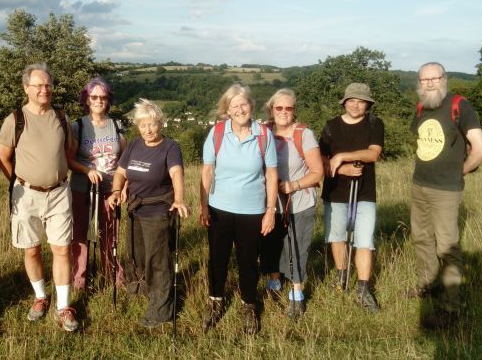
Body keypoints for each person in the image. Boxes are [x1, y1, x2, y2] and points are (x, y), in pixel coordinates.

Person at [0, 63, 80, 332]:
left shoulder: (61, 117)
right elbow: (3, 156)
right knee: (31, 249)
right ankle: (41, 298)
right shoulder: (15, 120)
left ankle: (63, 307)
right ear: (26, 89)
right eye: (39, 85)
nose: (45, 90)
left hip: (58, 193)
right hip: (26, 195)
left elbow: (70, 150)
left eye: (48, 85)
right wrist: (19, 183)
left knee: (62, 249)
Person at [409, 62, 482, 329]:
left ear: (444, 79)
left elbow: (480, 149)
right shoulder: (421, 107)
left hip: (446, 190)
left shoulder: (460, 106)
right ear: (419, 82)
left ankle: (450, 308)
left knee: (447, 247)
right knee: (421, 238)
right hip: (419, 184)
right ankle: (428, 285)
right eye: (425, 79)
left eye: (435, 78)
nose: (430, 83)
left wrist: (460, 172)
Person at [199, 83, 278, 335]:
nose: (240, 109)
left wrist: (270, 210)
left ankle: (249, 306)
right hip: (219, 208)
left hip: (253, 210)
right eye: (235, 106)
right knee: (217, 260)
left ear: (251, 106)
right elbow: (207, 170)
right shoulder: (217, 133)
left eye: (244, 104)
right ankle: (215, 302)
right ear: (227, 110)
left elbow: (272, 173)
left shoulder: (263, 134)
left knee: (247, 261)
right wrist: (203, 205)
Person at [106, 98, 189, 328]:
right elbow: (121, 172)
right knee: (136, 255)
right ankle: (141, 291)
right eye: (143, 125)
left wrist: (179, 199)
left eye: (152, 124)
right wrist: (115, 191)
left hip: (159, 212)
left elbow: (176, 173)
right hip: (135, 209)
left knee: (158, 261)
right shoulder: (133, 145)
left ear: (160, 123)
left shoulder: (170, 147)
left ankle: (161, 310)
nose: (148, 130)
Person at [259, 88, 323, 320]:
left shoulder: (304, 135)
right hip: (271, 202)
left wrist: (292, 185)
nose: (284, 112)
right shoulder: (263, 131)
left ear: (294, 110)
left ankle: (297, 293)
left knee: (297, 246)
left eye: (289, 108)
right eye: (279, 108)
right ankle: (275, 282)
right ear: (271, 109)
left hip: (299, 200)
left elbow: (317, 173)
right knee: (271, 243)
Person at [319, 82, 384, 313]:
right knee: (337, 236)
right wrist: (342, 168)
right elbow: (320, 161)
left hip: (364, 192)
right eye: (352, 100)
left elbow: (373, 153)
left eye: (361, 101)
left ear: (367, 104)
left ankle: (363, 289)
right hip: (335, 190)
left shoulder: (374, 123)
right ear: (344, 102)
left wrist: (343, 157)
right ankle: (341, 278)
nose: (356, 105)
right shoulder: (330, 126)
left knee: (364, 240)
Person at [68, 77, 126, 290]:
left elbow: (124, 160)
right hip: (82, 190)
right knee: (80, 237)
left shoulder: (117, 126)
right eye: (94, 97)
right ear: (87, 99)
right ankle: (78, 281)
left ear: (108, 100)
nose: (99, 101)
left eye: (103, 97)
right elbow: (69, 159)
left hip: (111, 190)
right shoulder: (79, 126)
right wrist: (87, 170)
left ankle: (113, 278)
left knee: (110, 235)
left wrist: (122, 188)